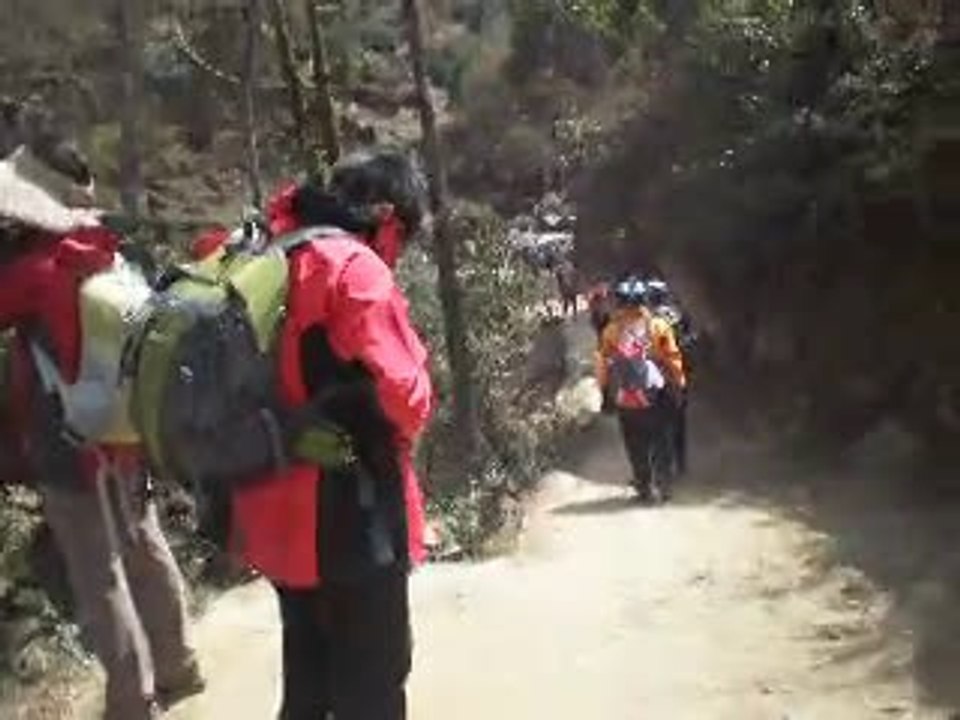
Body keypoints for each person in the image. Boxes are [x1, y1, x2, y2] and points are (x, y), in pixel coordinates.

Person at [190, 149, 433, 720]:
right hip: (351, 517)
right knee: (373, 681)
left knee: (309, 674)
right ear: (388, 216)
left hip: (268, 506)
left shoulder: (264, 253)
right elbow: (406, 397)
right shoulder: (351, 267)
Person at [0, 100, 201, 720]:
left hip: (65, 441)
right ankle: (178, 667)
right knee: (144, 545)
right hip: (125, 431)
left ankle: (130, 703)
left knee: (98, 575)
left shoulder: (28, 272)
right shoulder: (106, 251)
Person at [596, 278, 686, 502]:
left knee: (634, 443)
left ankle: (643, 486)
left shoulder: (610, 331)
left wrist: (605, 393)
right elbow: (673, 359)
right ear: (644, 300)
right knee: (661, 440)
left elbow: (603, 366)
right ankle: (663, 484)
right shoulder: (658, 327)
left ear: (619, 302)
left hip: (626, 399)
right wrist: (679, 384)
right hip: (657, 397)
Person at [644, 278, 694, 476]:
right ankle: (680, 463)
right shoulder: (677, 315)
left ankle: (656, 467)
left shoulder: (645, 320)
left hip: (652, 378)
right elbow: (690, 340)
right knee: (678, 422)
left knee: (652, 424)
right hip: (676, 374)